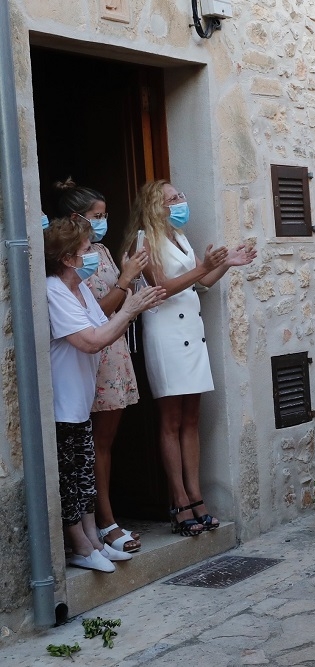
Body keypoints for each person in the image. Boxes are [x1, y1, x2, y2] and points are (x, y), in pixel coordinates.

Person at [122, 181, 256, 537]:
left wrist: (227, 263)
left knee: (191, 418)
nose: (181, 201)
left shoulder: (179, 236)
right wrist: (203, 268)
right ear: (155, 206)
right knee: (170, 420)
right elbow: (162, 287)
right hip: (164, 334)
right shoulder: (144, 240)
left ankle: (196, 495)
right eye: (172, 198)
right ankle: (179, 500)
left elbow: (203, 281)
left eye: (181, 195)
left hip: (191, 335)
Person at [43, 216, 163, 572]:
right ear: (68, 258)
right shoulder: (54, 289)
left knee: (82, 476)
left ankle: (94, 539)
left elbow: (102, 326)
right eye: (85, 250)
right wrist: (130, 309)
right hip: (63, 403)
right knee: (69, 477)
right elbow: (91, 341)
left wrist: (128, 309)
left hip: (80, 402)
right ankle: (80, 546)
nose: (91, 254)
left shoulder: (78, 289)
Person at [55, 179, 149, 554]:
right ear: (77, 218)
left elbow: (120, 295)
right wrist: (126, 283)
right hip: (97, 351)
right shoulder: (73, 261)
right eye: (97, 216)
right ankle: (105, 523)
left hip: (116, 350)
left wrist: (132, 280)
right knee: (95, 446)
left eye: (105, 215)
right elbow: (97, 312)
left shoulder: (103, 251)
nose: (103, 221)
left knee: (106, 443)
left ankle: (101, 522)